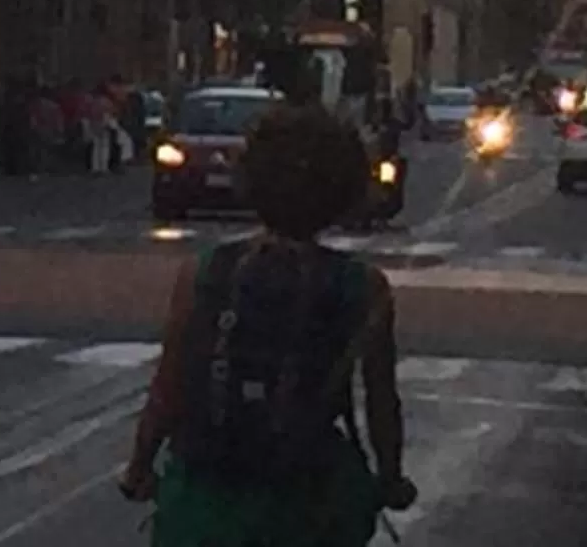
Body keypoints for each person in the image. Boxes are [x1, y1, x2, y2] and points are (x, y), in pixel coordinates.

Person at [120, 106, 414, 543]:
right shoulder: (365, 288)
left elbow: (171, 386)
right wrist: (390, 478)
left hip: (208, 494)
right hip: (310, 497)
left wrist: (139, 467)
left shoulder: (205, 272)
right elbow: (380, 404)